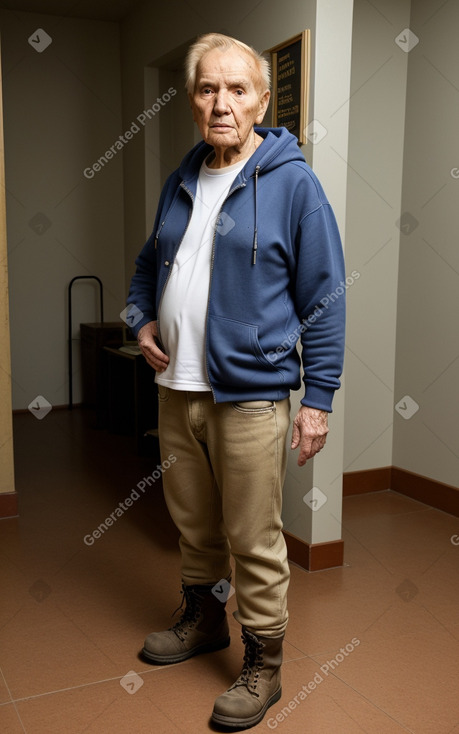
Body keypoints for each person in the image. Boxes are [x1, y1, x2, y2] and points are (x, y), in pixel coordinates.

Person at [126, 32, 345, 730]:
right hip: (176, 390)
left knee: (253, 537)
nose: (221, 103)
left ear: (260, 99)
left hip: (250, 396)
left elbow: (324, 295)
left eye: (236, 89)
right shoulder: (183, 176)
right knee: (194, 526)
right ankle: (203, 621)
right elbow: (145, 267)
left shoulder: (292, 183)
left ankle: (263, 662)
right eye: (206, 89)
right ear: (192, 100)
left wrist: (318, 400)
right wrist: (140, 322)